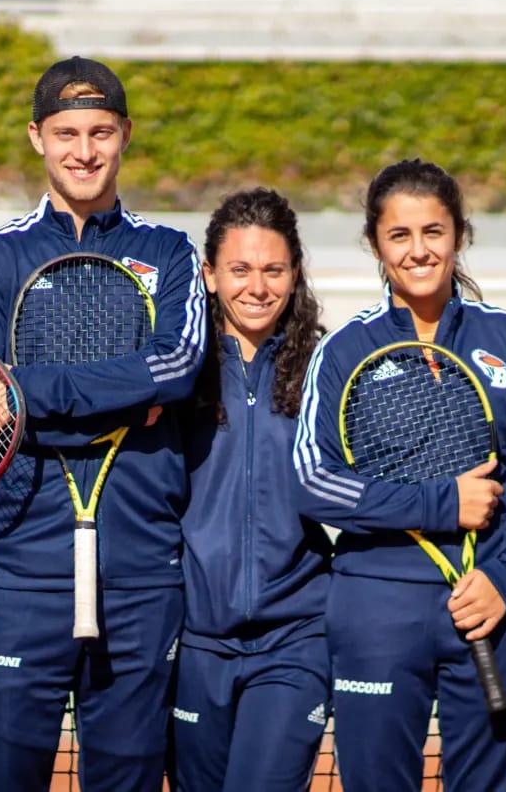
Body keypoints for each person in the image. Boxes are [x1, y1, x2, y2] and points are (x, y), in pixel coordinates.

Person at [0, 56, 207, 791]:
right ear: (37, 137)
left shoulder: (168, 251)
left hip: (140, 573)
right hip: (17, 565)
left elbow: (178, 368)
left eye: (100, 131)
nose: (84, 150)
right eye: (67, 132)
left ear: (125, 135)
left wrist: (26, 393)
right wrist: (123, 391)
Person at [293, 159, 506, 791]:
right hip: (375, 608)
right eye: (399, 235)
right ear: (375, 244)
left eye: (434, 230)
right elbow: (312, 480)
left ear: (460, 235)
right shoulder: (343, 349)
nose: (419, 249)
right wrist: (439, 505)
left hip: (495, 608)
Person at [169, 188, 331, 792]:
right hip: (194, 642)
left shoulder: (325, 368)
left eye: (273, 270)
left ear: (294, 274)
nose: (257, 287)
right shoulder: (177, 371)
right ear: (210, 275)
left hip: (297, 638)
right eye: (239, 269)